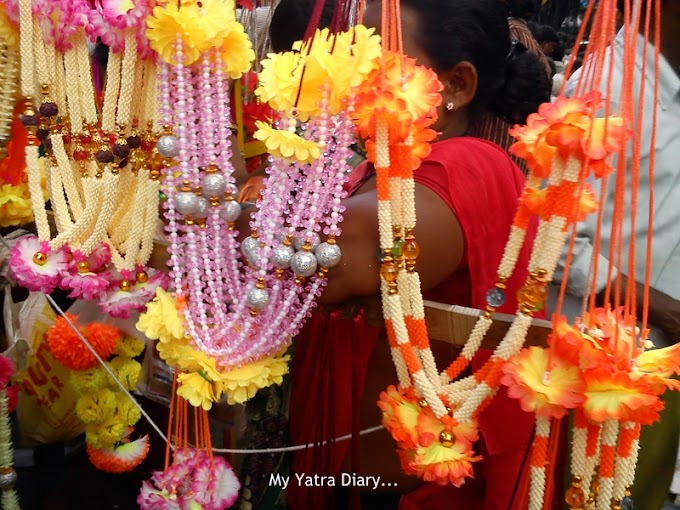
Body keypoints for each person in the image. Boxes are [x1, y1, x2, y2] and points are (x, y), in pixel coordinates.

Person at [253, 1, 553, 509]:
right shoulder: (376, 167)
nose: (350, 74)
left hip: (404, 492)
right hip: (338, 476)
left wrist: (219, 199)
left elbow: (333, 256)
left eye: (377, 55)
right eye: (353, 52)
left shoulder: (471, 163)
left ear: (456, 85)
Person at [551, 1, 680, 509]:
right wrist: (655, 304)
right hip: (602, 371)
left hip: (659, 369)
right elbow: (553, 238)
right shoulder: (601, 88)